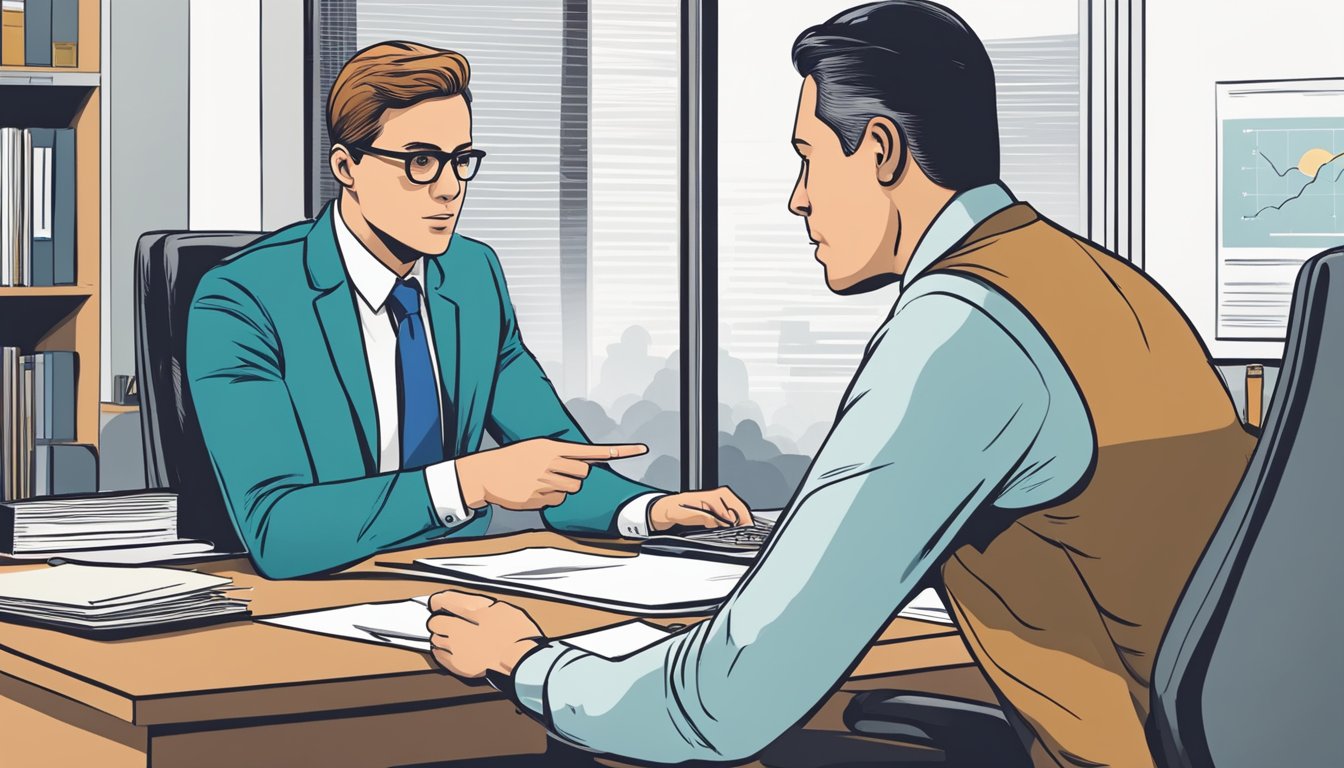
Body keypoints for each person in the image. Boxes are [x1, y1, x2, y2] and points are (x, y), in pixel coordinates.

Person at [422, 4, 1255, 766]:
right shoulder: (1095, 282)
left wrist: (528, 662)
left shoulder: (964, 331)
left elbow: (721, 705)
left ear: (883, 150)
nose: (798, 199)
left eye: (809, 160)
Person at [187, 41, 750, 581]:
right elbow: (277, 528)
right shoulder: (241, 300)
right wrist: (468, 482)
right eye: (420, 162)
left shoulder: (473, 276)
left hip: (465, 582)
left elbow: (552, 451)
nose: (449, 189)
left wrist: (651, 511)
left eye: (461, 161)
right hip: (318, 594)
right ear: (346, 166)